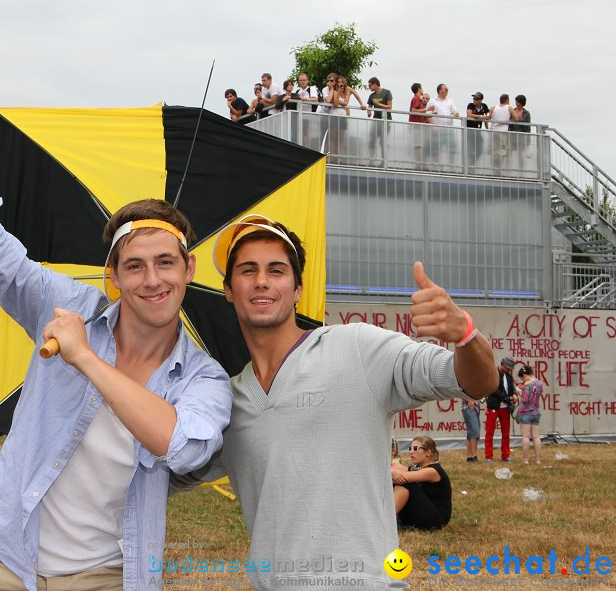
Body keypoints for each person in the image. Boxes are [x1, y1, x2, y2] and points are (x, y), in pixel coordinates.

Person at [0, 36, 231, 591]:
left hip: (104, 575)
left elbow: (185, 446)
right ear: (113, 275)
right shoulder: (69, 308)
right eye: (134, 266)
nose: (151, 280)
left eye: (165, 263)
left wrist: (84, 358)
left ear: (189, 267)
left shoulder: (203, 378)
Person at [172, 214, 497, 589]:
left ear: (297, 289)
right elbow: (166, 469)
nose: (261, 280)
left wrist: (466, 335)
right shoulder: (227, 402)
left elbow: (474, 383)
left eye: (276, 270)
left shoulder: (357, 347)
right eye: (248, 270)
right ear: (229, 289)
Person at [392, 436, 452, 530]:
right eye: (410, 448)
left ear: (428, 452)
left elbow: (403, 476)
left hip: (436, 520)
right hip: (423, 514)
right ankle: (387, 517)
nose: (411, 452)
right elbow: (404, 470)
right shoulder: (418, 468)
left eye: (415, 449)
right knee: (397, 481)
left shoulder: (433, 471)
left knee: (405, 483)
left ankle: (386, 518)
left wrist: (391, 472)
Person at [485, 356, 519, 462]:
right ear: (502, 365)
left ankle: (506, 455)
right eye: (508, 368)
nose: (509, 370)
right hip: (493, 406)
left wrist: (513, 394)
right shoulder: (493, 374)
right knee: (490, 432)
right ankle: (489, 456)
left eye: (510, 368)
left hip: (505, 408)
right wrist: (505, 398)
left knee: (506, 433)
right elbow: (494, 389)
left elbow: (511, 387)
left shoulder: (508, 376)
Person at [426, 83, 460, 162]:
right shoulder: (432, 101)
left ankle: (452, 167)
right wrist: (432, 126)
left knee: (452, 149)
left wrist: (456, 113)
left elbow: (455, 111)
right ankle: (436, 166)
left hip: (449, 129)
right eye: (446, 90)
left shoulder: (450, 101)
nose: (447, 91)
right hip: (437, 129)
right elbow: (428, 115)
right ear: (440, 90)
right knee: (436, 150)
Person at [516, 365, 543, 464]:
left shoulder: (527, 385)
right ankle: (538, 460)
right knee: (536, 436)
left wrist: (519, 391)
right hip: (536, 412)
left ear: (525, 375)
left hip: (526, 413)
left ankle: (525, 459)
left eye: (522, 378)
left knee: (526, 437)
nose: (522, 381)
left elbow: (525, 399)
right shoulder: (539, 383)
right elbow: (536, 392)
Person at [366, 77, 393, 161]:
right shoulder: (372, 95)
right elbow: (369, 106)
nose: (369, 87)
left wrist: (378, 104)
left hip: (386, 120)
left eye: (370, 85)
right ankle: (371, 159)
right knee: (372, 139)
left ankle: (383, 160)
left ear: (375, 84)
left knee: (383, 141)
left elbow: (389, 107)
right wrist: (369, 111)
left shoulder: (387, 92)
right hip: (376, 120)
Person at [489, 94, 516, 172]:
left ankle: (494, 168)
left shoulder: (493, 108)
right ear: (507, 100)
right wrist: (508, 122)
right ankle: (498, 169)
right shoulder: (509, 108)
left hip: (493, 131)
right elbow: (516, 118)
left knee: (494, 151)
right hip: (503, 132)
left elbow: (488, 117)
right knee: (501, 152)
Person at [465, 92, 490, 167]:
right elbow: (469, 114)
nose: (474, 100)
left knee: (480, 149)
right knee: (469, 149)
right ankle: (469, 164)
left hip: (478, 131)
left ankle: (473, 162)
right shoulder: (470, 105)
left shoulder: (484, 106)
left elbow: (488, 115)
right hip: (469, 131)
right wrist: (482, 116)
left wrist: (487, 128)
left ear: (481, 100)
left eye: (476, 99)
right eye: (474, 98)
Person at [509, 94, 533, 170]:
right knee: (508, 153)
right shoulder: (512, 111)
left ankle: (521, 171)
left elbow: (528, 127)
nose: (517, 104)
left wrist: (528, 140)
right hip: (512, 136)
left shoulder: (527, 113)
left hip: (522, 137)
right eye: (516, 102)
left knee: (520, 154)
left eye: (519, 102)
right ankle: (508, 169)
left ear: (522, 103)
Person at [409, 83, 429, 163]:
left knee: (419, 145)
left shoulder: (418, 99)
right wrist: (427, 109)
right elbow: (414, 111)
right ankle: (419, 163)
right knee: (418, 145)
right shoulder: (416, 98)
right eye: (421, 88)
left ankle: (420, 162)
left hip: (419, 126)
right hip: (416, 126)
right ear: (419, 89)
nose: (422, 89)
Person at [462, 397, 481, 462]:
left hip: (475, 407)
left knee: (470, 432)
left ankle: (469, 456)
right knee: (474, 431)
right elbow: (461, 391)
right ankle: (474, 455)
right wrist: (470, 401)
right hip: (469, 406)